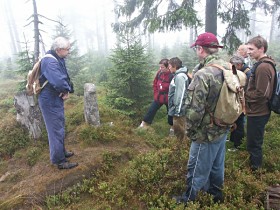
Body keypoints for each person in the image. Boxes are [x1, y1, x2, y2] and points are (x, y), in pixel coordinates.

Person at [174, 32, 230, 204]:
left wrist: (190, 131)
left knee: (196, 166)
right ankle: (216, 195)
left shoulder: (203, 74)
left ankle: (189, 199)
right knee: (216, 165)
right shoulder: (228, 68)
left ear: (201, 49)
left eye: (197, 48)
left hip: (204, 132)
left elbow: (195, 110)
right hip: (222, 127)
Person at [38, 37, 78, 170]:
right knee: (55, 129)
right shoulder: (50, 61)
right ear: (59, 49)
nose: (69, 52)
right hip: (49, 99)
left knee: (59, 125)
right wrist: (65, 90)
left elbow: (63, 76)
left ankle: (61, 152)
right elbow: (58, 81)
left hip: (54, 97)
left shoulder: (57, 58)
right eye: (67, 50)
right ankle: (59, 161)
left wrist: (68, 89)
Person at [245, 35, 276, 171]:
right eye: (248, 49)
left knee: (254, 144)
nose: (249, 52)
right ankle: (255, 170)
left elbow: (262, 93)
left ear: (261, 49)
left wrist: (244, 95)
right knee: (253, 142)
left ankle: (256, 172)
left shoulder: (263, 67)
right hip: (257, 110)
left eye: (251, 49)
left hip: (258, 112)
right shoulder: (262, 64)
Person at [139, 59, 174, 134]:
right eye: (160, 67)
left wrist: (171, 98)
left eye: (162, 67)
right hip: (158, 97)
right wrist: (155, 94)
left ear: (168, 67)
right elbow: (155, 83)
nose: (160, 69)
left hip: (168, 99)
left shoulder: (172, 75)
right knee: (151, 110)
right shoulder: (159, 73)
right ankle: (143, 125)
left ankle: (172, 129)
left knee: (170, 114)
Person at [228, 55, 251, 152]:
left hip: (242, 103)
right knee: (235, 121)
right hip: (239, 101)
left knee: (239, 123)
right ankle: (233, 139)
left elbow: (248, 90)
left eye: (233, 66)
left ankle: (238, 145)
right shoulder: (241, 71)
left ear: (239, 64)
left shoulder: (248, 74)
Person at [168, 57, 189, 141]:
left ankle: (182, 149)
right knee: (180, 131)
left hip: (179, 110)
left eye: (169, 66)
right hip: (177, 109)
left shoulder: (180, 77)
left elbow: (180, 94)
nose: (169, 67)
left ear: (175, 66)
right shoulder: (178, 75)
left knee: (181, 131)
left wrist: (177, 111)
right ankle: (182, 148)